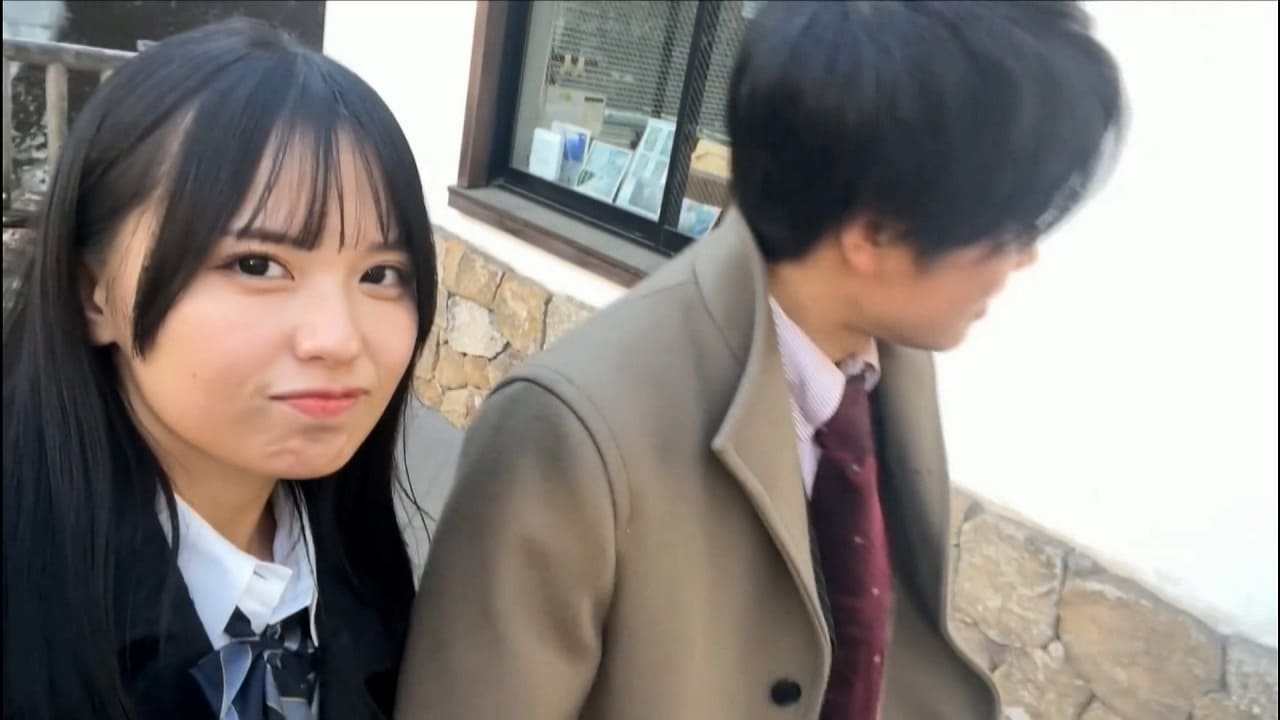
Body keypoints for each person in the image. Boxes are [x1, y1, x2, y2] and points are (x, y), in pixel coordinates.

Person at [398, 1, 1126, 718]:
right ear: (872, 232)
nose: (1025, 258)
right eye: (1010, 225)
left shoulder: (890, 358)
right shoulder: (573, 433)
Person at [2, 18, 437, 720]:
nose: (338, 339)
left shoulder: (358, 561)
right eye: (257, 264)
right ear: (95, 293)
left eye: (381, 274)